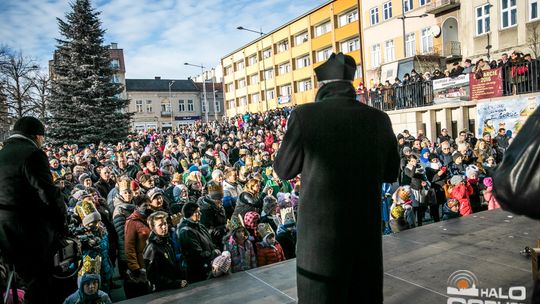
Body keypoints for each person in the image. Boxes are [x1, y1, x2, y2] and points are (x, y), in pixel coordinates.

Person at [273, 53, 399, 303]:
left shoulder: (303, 116)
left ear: (321, 85)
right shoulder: (379, 118)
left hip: (320, 238)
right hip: (364, 231)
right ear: (350, 85)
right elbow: (390, 172)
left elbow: (284, 169)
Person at [0, 116, 68, 304]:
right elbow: (48, 195)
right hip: (30, 233)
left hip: (5, 232)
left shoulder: (3, 153)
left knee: (18, 282)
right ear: (38, 136)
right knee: (39, 285)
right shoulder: (33, 154)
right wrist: (62, 225)